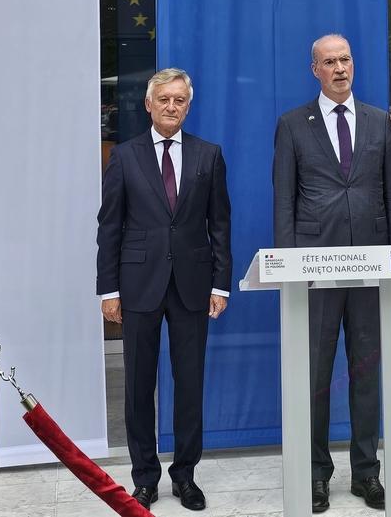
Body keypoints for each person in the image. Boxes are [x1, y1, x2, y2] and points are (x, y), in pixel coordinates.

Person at [273, 34, 391, 513]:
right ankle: (315, 475)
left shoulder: (378, 120)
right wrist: (290, 268)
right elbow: (284, 201)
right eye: (329, 62)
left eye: (345, 59)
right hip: (315, 270)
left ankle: (366, 473)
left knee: (367, 373)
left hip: (371, 269)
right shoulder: (292, 124)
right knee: (315, 377)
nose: (340, 68)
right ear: (315, 70)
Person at [96, 68, 232, 512]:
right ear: (148, 105)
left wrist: (221, 284)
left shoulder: (209, 155)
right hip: (138, 285)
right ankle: (145, 478)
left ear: (188, 106)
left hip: (193, 285)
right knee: (138, 385)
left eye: (179, 100)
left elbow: (220, 225)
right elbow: (110, 225)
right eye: (164, 99)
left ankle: (185, 476)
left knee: (189, 384)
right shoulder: (125, 156)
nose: (171, 106)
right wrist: (108, 289)